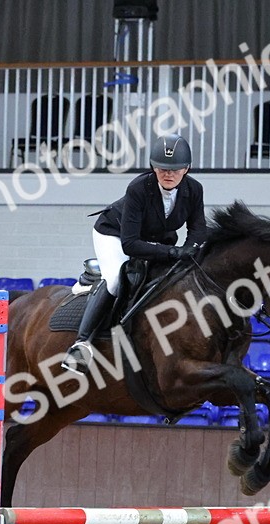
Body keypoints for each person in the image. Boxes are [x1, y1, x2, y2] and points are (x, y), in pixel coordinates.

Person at [61, 133, 209, 374]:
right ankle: (82, 344)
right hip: (114, 234)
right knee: (115, 279)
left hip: (155, 238)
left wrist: (190, 249)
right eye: (162, 168)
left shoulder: (194, 189)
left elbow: (198, 228)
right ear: (153, 167)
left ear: (186, 169)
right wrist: (173, 251)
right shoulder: (138, 188)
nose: (168, 174)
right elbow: (130, 245)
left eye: (175, 169)